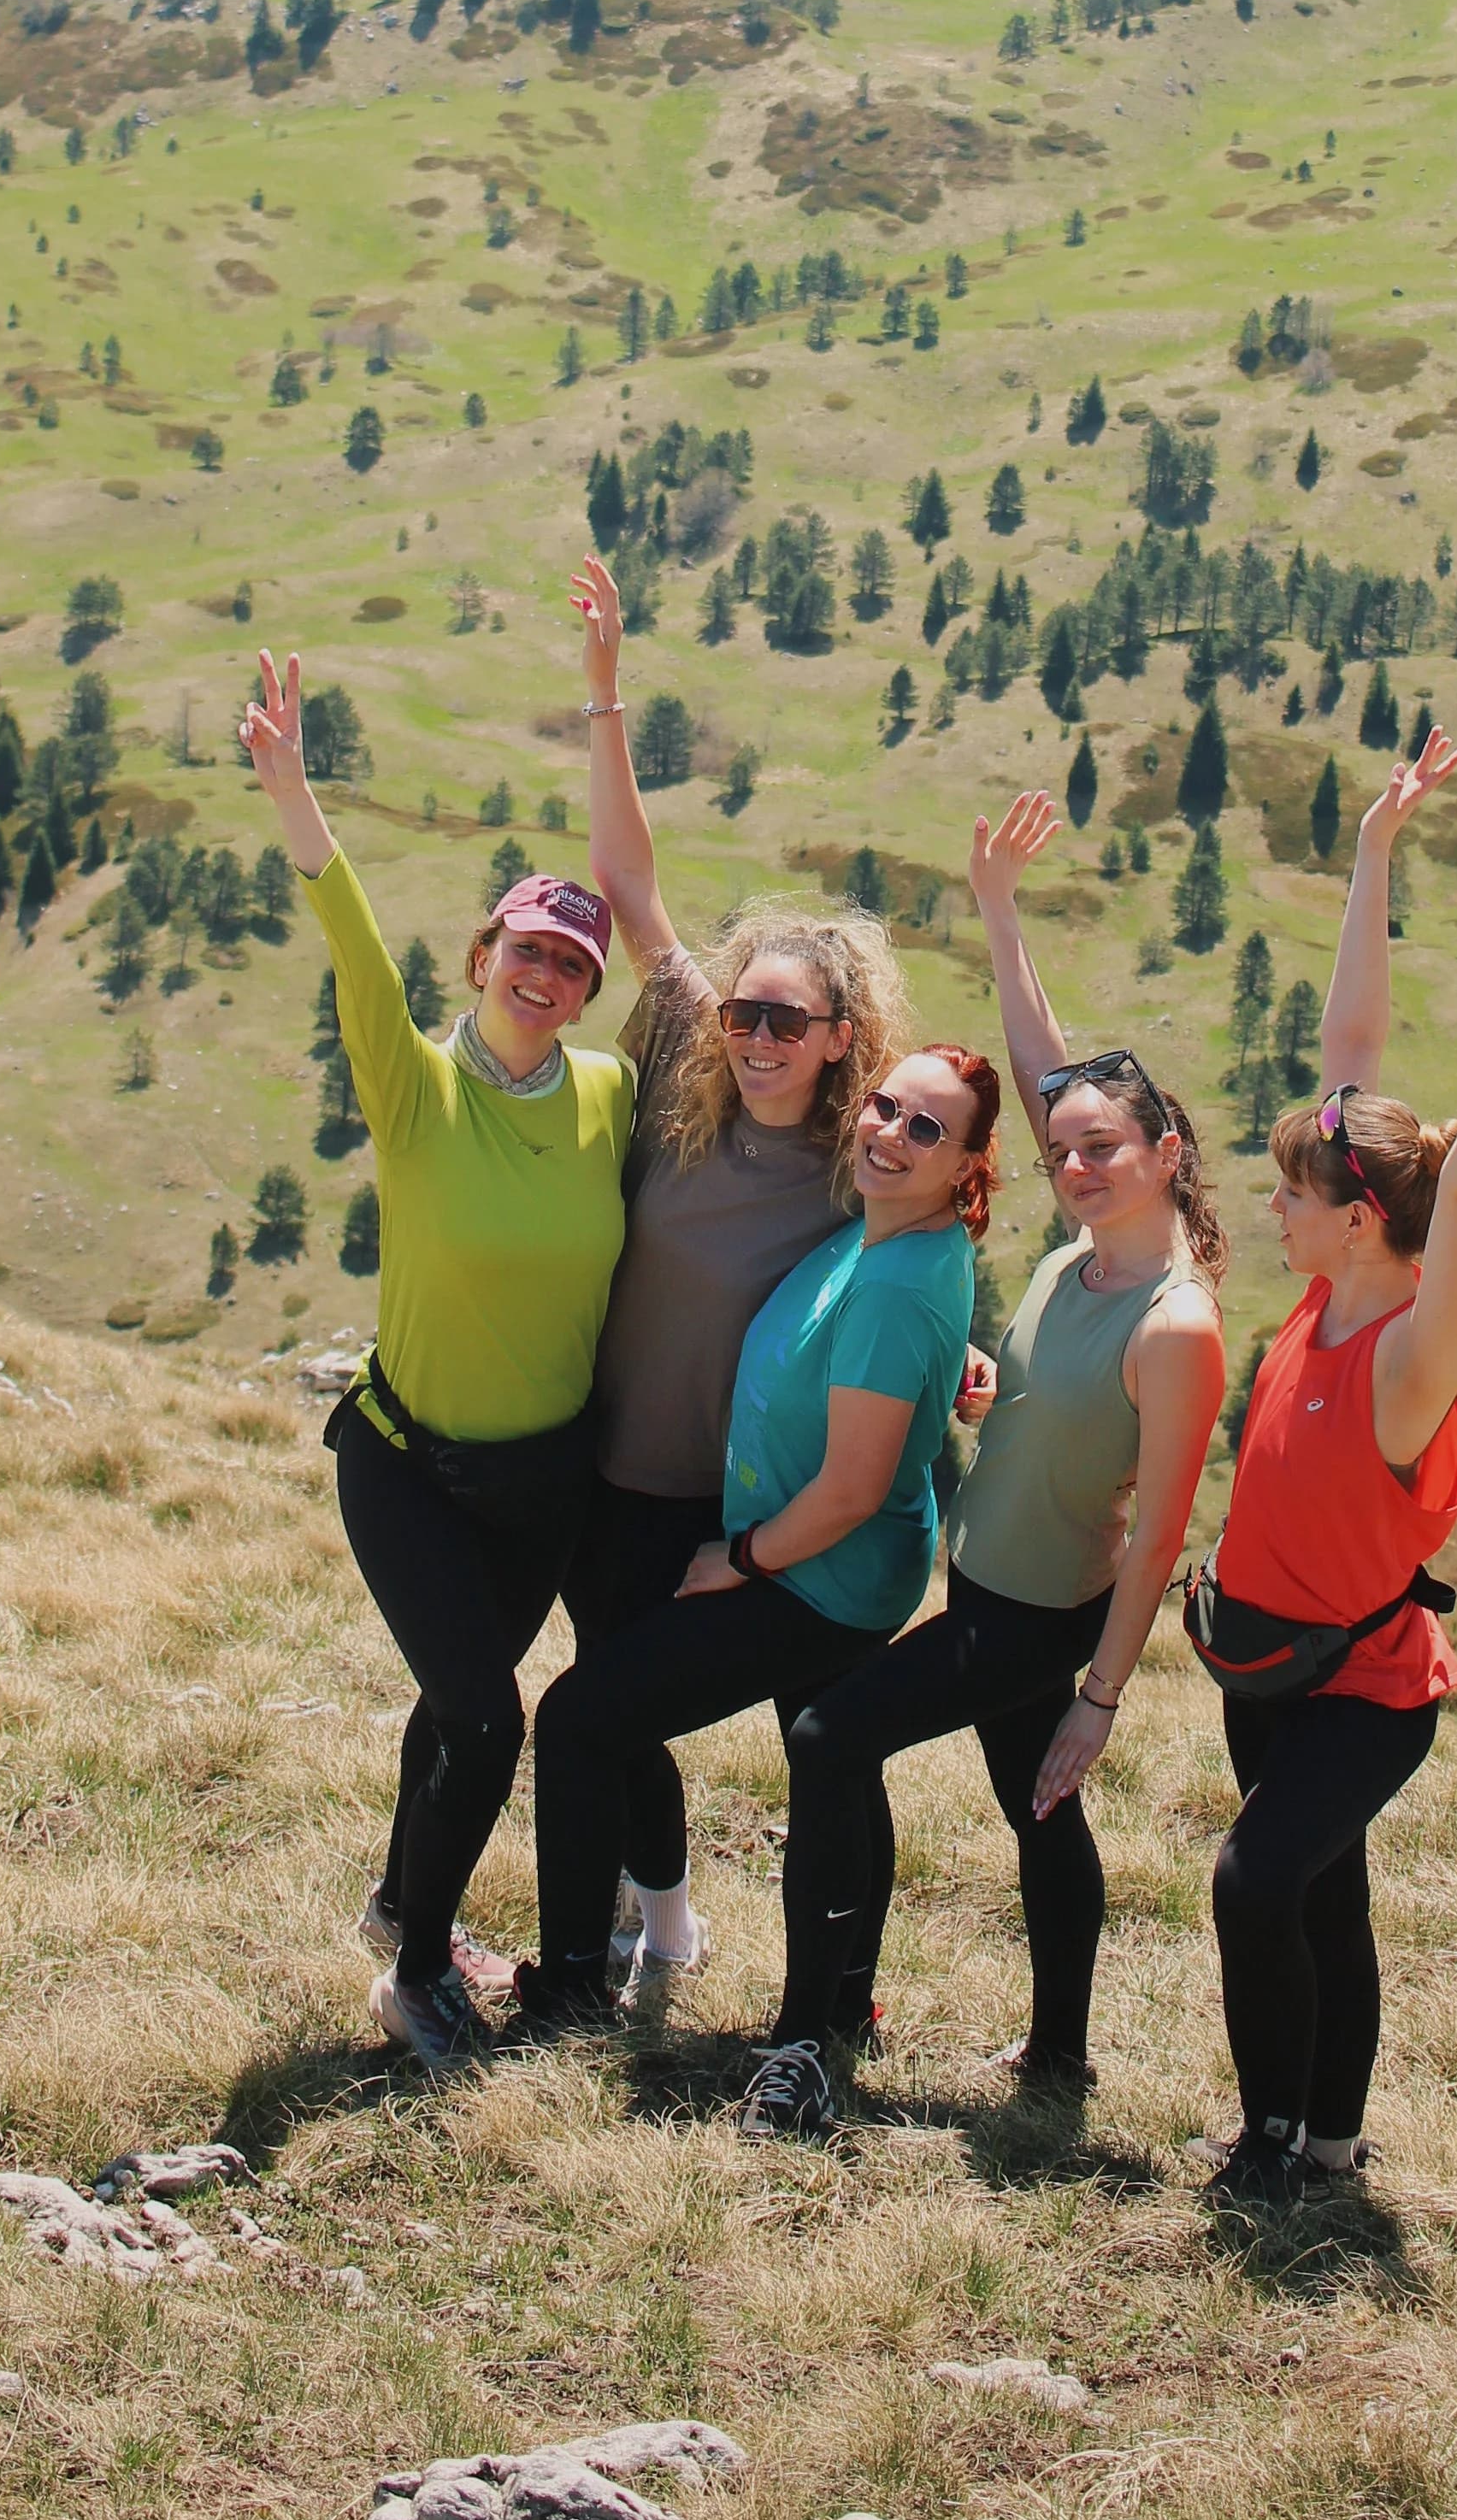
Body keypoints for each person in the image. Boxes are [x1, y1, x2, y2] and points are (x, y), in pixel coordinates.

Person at [740, 790, 1229, 2135]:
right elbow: (1042, 1062)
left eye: (1103, 1150)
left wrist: (1102, 1700)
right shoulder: (1084, 1253)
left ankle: (818, 2022)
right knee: (1036, 1816)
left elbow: (1158, 1534)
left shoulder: (1173, 1322)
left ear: (1163, 1158)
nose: (1074, 1163)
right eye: (1063, 1150)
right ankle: (1061, 2058)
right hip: (985, 1577)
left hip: (1034, 1613)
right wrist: (1000, 909)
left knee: (837, 1739)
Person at [1201, 735, 1457, 2206]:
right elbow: (1352, 1046)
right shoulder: (1330, 1285)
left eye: (1292, 1194)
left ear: (1361, 1217)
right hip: (1267, 1659)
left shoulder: (1410, 1351)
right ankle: (1328, 2139)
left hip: (1364, 1687)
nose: (1272, 1209)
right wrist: (1375, 848)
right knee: (1327, 1897)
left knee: (1255, 1884)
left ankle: (1268, 2144)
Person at [240, 645, 634, 2074]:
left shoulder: (611, 1092)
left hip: (545, 1480)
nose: (544, 972)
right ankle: (417, 1975)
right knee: (484, 1706)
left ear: (588, 990)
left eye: (572, 962)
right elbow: (346, 933)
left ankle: (401, 1895)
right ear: (484, 956)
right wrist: (294, 793)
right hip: (406, 1460)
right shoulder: (413, 1080)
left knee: (447, 1702)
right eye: (526, 946)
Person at [560, 549, 908, 1999]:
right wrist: (603, 696)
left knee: (801, 1731)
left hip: (753, 1497)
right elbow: (630, 883)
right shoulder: (687, 1060)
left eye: (788, 1016)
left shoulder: (863, 1159)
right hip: (615, 1471)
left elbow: (928, 1269)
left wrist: (966, 1363)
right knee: (612, 1712)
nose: (756, 1033)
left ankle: (834, 1986)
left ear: (841, 1032)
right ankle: (666, 1914)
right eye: (746, 1005)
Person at [510, 1033, 999, 2062]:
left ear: (966, 1167)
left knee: (580, 1721)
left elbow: (855, 1485)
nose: (892, 1134)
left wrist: (744, 1561)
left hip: (816, 1577)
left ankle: (568, 1993)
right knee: (833, 1770)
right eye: (884, 1108)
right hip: (828, 1565)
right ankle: (846, 2006)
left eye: (927, 1128)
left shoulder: (898, 1276)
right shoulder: (877, 1235)